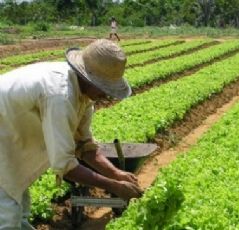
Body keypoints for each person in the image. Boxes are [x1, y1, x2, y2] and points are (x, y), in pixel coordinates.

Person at [0, 39, 141, 229]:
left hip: (10, 144)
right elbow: (64, 165)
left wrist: (116, 174)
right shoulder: (60, 95)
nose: (107, 95)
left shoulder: (83, 96)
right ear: (89, 78)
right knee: (7, 218)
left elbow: (84, 146)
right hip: (5, 144)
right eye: (105, 88)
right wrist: (113, 186)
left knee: (19, 213)